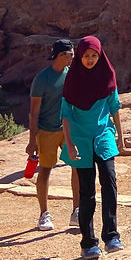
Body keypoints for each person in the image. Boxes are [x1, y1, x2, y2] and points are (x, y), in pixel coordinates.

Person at [62, 36, 124, 260]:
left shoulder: (107, 76)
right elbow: (66, 114)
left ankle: (111, 236)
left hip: (103, 136)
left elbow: (114, 106)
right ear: (80, 56)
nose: (90, 59)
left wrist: (120, 136)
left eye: (94, 56)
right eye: (87, 55)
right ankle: (88, 243)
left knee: (109, 181)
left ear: (100, 55)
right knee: (86, 192)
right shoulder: (73, 80)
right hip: (80, 139)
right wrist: (68, 142)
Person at [28, 39, 80, 231]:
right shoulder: (42, 79)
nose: (74, 57)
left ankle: (76, 211)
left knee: (77, 167)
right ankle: (44, 214)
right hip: (47, 131)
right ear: (61, 55)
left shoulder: (72, 75)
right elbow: (34, 112)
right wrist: (32, 140)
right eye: (71, 54)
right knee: (46, 170)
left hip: (69, 130)